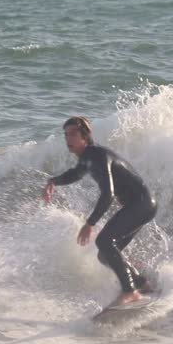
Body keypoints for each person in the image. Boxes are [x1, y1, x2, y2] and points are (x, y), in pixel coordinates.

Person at [42, 116, 157, 307]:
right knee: (105, 254)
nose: (68, 139)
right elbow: (75, 174)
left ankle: (130, 291)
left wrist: (90, 223)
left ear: (85, 136)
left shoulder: (96, 156)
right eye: (66, 135)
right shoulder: (87, 158)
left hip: (141, 204)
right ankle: (140, 283)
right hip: (140, 206)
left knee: (103, 241)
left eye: (73, 134)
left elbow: (108, 194)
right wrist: (53, 181)